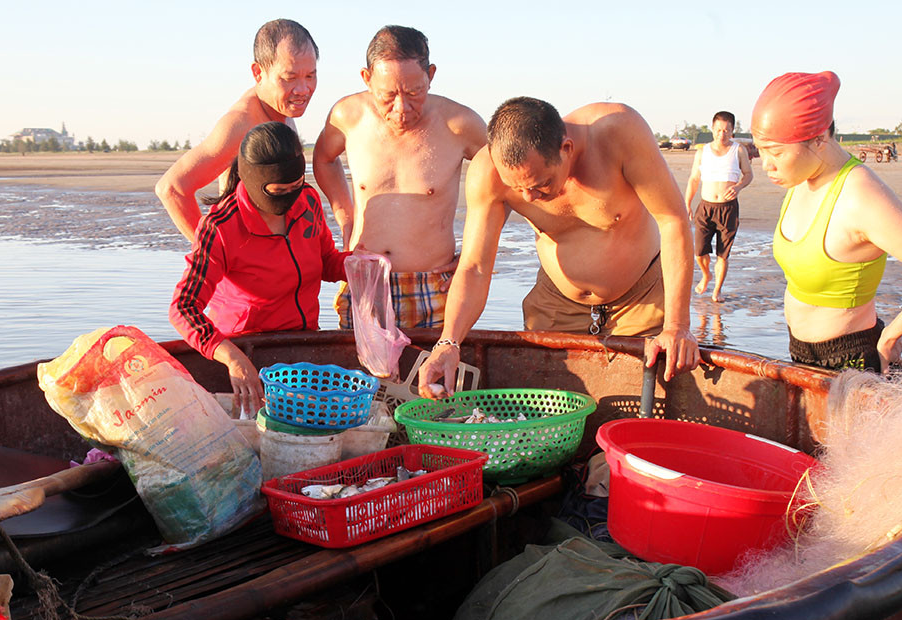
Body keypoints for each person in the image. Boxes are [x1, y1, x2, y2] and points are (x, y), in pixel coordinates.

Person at [417, 97, 701, 397]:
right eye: (518, 188)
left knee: (647, 402)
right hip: (555, 305)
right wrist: (448, 343)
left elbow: (672, 221)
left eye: (541, 184)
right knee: (545, 406)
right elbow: (475, 266)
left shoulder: (617, 132)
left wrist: (677, 325)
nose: (528, 198)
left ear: (566, 149)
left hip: (641, 300)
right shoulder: (486, 172)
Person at [752, 71, 902, 374]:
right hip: (800, 354)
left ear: (819, 138)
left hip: (852, 363)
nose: (766, 165)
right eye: (760, 151)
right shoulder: (800, 179)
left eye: (776, 152)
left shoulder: (860, 196)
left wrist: (892, 335)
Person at [169, 122, 348, 416]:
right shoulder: (221, 228)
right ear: (253, 181)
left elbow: (326, 261)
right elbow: (182, 308)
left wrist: (356, 265)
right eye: (280, 191)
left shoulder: (308, 202)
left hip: (301, 343)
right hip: (247, 349)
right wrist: (232, 357)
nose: (291, 198)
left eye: (296, 186)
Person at [313, 25, 486, 329]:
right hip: (365, 276)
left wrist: (474, 256)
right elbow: (324, 159)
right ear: (367, 79)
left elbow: (507, 183)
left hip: (434, 282)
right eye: (388, 95)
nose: (401, 107)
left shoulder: (461, 124)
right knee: (363, 376)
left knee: (432, 373)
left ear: (430, 75)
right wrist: (346, 218)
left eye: (414, 92)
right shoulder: (347, 116)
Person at [157, 19, 318, 243]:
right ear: (258, 73)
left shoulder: (281, 111)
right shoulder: (240, 125)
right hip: (248, 267)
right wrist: (214, 253)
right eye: (289, 78)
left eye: (310, 76)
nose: (303, 89)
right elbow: (171, 188)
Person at [683, 111, 753, 303]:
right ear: (712, 129)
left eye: (726, 130)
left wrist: (738, 187)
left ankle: (717, 291)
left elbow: (748, 174)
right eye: (718, 130)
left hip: (728, 208)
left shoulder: (738, 150)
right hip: (705, 207)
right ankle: (706, 275)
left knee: (723, 254)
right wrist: (687, 203)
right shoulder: (702, 152)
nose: (722, 134)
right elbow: (694, 179)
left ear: (732, 131)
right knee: (699, 252)